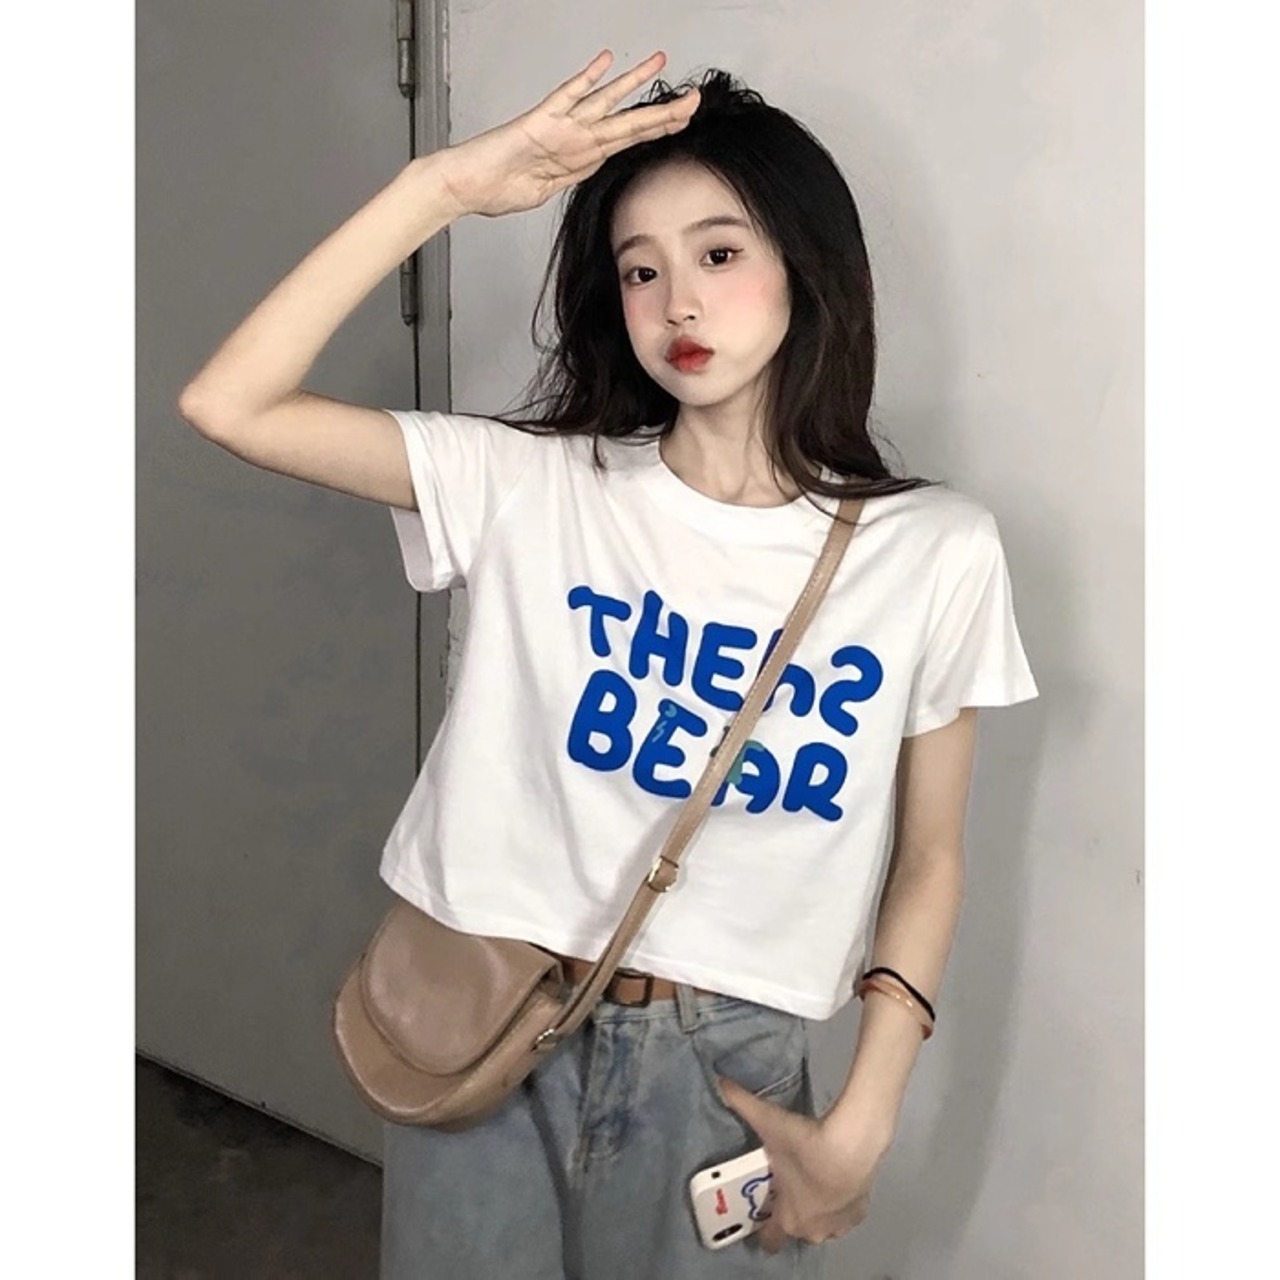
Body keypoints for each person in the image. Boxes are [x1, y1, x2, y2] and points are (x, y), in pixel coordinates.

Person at [179, 49, 1037, 1280]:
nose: (676, 301)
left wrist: (864, 1117)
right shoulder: (533, 484)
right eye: (640, 269)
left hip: (726, 1067)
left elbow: (931, 851)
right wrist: (441, 186)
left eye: (718, 253)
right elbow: (231, 402)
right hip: (480, 1017)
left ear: (808, 265)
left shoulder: (932, 550)